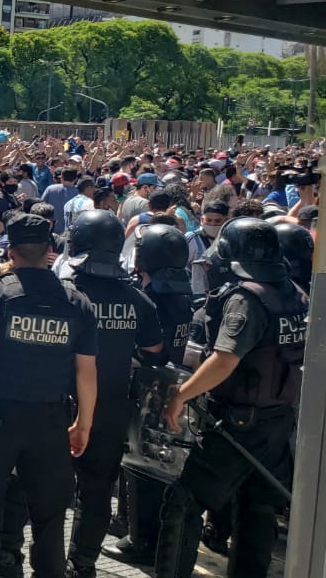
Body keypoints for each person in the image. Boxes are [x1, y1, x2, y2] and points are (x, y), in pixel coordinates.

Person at [156, 217, 307, 578]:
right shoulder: (295, 295)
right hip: (277, 421)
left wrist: (182, 394)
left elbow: (225, 359)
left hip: (238, 424)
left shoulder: (245, 299)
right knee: (257, 510)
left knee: (184, 502)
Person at [0, 213, 99, 578]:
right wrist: (84, 423)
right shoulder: (76, 302)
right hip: (49, 420)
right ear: (50, 251)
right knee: (49, 513)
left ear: (12, 252)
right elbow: (86, 371)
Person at [61, 211, 163, 578]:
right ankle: (83, 563)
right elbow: (155, 349)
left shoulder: (66, 294)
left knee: (49, 485)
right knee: (98, 489)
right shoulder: (137, 299)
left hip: (61, 407)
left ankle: (47, 559)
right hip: (112, 407)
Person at [102, 223, 195, 567]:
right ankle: (136, 528)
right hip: (168, 386)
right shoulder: (181, 290)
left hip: (149, 386)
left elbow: (150, 347)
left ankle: (140, 539)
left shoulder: (153, 294)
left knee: (141, 466)